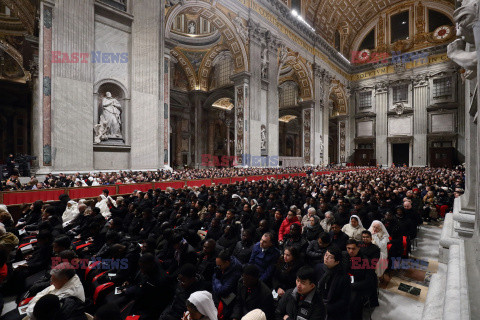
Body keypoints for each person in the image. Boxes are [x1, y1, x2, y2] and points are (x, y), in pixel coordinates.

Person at [345, 239, 378, 319]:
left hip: (360, 286)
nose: (350, 251)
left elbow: (369, 281)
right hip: (346, 283)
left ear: (358, 248)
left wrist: (352, 285)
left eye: (353, 249)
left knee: (352, 301)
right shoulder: (344, 256)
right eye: (348, 248)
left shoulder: (366, 261)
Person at [318, 246, 351, 320]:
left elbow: (344, 301)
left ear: (337, 262)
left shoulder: (344, 277)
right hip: (318, 305)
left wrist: (327, 308)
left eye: (330, 257)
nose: (326, 258)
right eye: (326, 255)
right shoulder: (319, 268)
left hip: (333, 310)